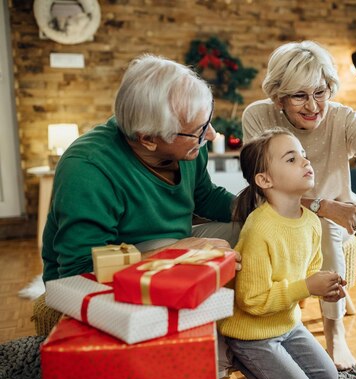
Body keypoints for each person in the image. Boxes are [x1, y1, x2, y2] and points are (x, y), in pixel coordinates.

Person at [242, 40, 356, 369]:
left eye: (320, 92)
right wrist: (322, 205)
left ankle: (336, 336)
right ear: (279, 97)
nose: (313, 105)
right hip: (276, 210)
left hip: (335, 217)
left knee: (326, 236)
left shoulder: (342, 118)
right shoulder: (258, 116)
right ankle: (271, 327)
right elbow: (260, 181)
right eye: (300, 95)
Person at [42, 54, 240, 282]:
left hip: (174, 241)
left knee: (252, 228)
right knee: (167, 246)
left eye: (207, 122)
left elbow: (204, 196)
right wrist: (175, 254)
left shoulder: (192, 141)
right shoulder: (88, 169)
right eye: (198, 130)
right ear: (147, 139)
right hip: (97, 272)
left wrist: (256, 207)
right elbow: (79, 270)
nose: (211, 135)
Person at [219, 128, 341, 379]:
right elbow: (251, 300)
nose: (305, 162)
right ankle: (240, 357)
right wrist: (307, 287)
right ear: (265, 179)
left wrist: (325, 291)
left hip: (287, 324)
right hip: (252, 334)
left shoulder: (311, 221)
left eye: (304, 155)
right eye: (291, 159)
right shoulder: (259, 229)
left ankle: (273, 364)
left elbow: (308, 274)